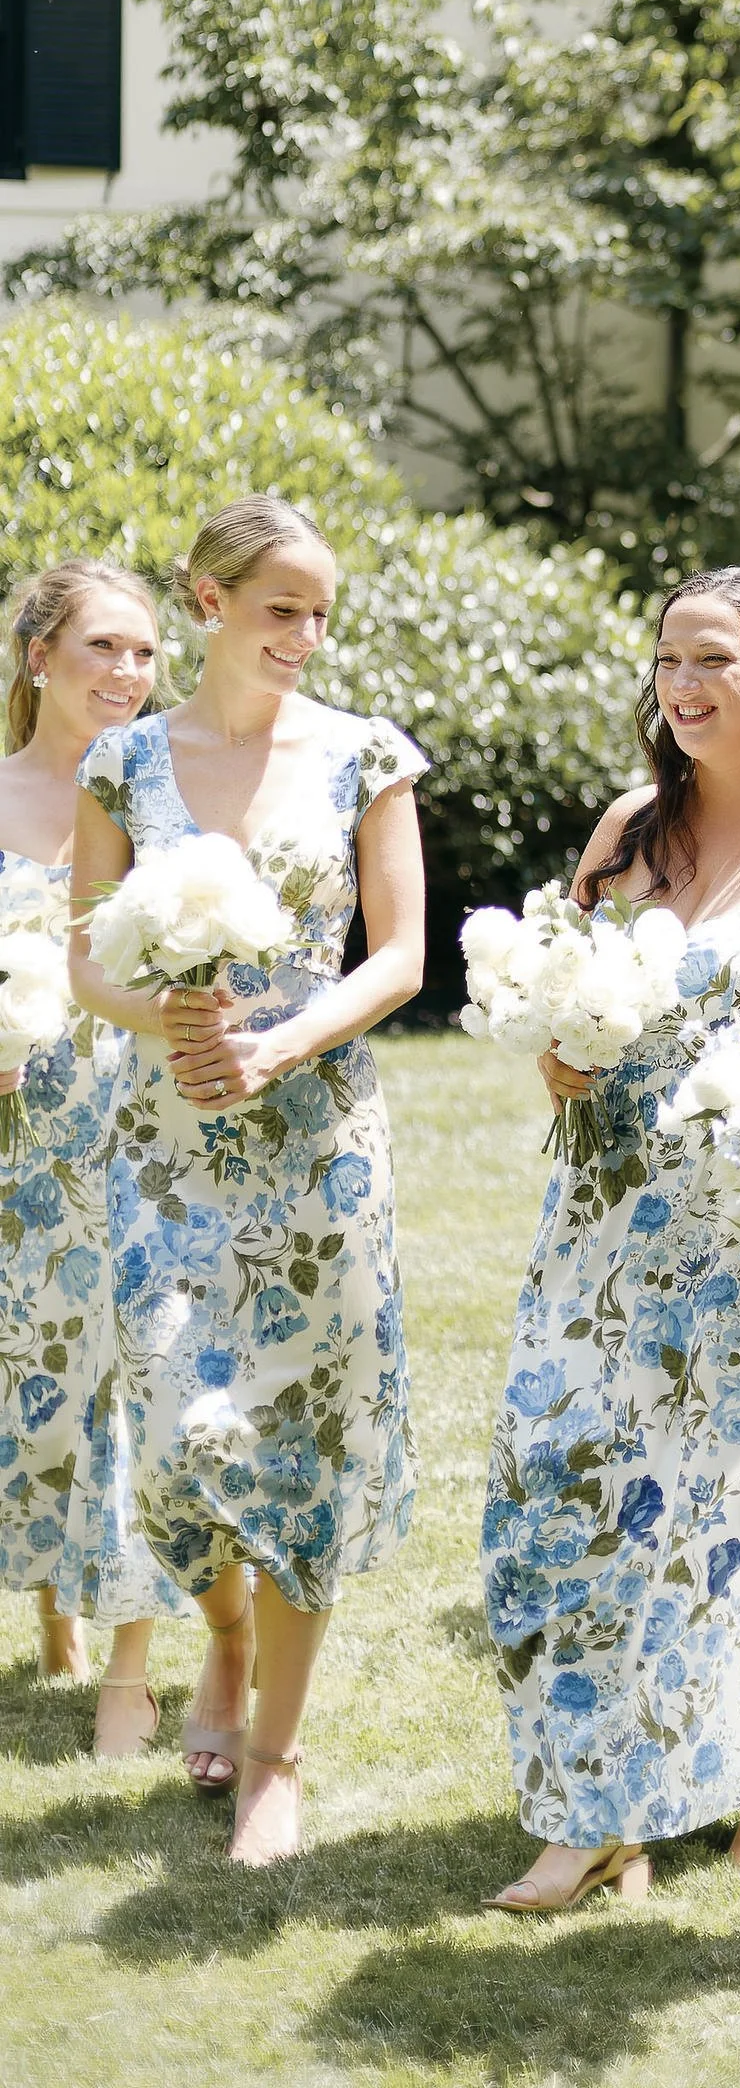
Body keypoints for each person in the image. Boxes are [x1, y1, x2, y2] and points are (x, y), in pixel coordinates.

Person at [480, 569, 740, 1915]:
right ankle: (607, 1810)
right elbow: (555, 997)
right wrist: (559, 1053)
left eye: (713, 657)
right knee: (576, 1483)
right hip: (604, 1216)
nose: (685, 684)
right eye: (668, 661)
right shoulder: (630, 828)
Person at [69, 495, 426, 1865]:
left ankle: (277, 1749)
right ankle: (218, 1638)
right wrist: (179, 1024)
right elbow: (93, 959)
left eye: (322, 612)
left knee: (304, 1444)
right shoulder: (124, 763)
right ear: (206, 602)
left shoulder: (364, 757)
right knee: (173, 1436)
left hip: (316, 1136)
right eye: (283, 608)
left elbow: (398, 958)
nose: (307, 635)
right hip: (164, 1143)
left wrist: (278, 1043)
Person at [0, 562, 183, 1752]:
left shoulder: (169, 796)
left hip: (140, 1127)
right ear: (37, 660)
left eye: (145, 653)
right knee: (34, 1372)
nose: (127, 673)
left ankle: (129, 1669)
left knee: (138, 1378)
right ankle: (56, 1610)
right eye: (102, 649)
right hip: (19, 1142)